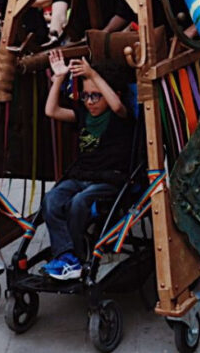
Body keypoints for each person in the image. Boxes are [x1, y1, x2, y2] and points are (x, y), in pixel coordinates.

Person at [41, 51, 133, 280]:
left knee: (79, 202)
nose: (90, 101)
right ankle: (67, 255)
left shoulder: (120, 115)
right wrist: (59, 78)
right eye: (86, 96)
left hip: (110, 179)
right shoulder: (83, 113)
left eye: (96, 96)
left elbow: (117, 106)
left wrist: (92, 74)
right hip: (82, 175)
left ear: (111, 93)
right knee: (51, 200)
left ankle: (79, 255)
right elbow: (51, 111)